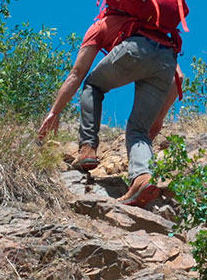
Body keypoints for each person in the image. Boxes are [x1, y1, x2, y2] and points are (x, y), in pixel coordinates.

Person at [37, 12, 183, 207]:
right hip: (166, 59)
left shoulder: (100, 25)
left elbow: (76, 74)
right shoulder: (153, 29)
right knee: (139, 130)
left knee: (92, 86)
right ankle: (142, 178)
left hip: (134, 50)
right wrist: (159, 118)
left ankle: (88, 148)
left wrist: (54, 112)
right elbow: (178, 78)